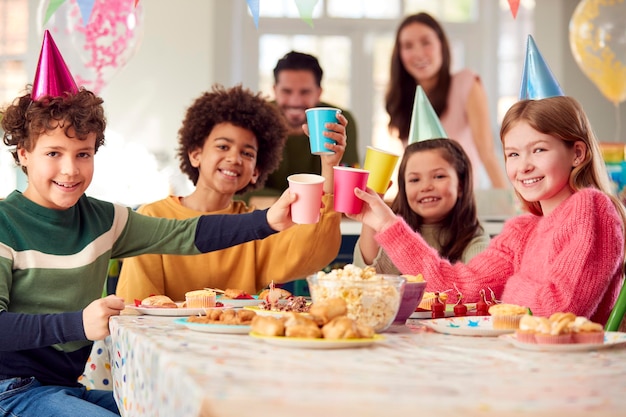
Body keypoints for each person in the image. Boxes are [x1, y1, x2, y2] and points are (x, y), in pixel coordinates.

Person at [0, 32, 297, 417]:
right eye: (53, 153)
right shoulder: (5, 225)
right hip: (10, 390)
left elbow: (188, 234)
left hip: (64, 388)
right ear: (23, 154)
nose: (70, 169)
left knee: (170, 410)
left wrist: (268, 220)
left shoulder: (106, 220)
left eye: (83, 153)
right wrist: (77, 323)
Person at [349, 96, 626, 325]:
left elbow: (557, 314)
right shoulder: (522, 230)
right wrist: (387, 225)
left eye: (539, 150)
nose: (524, 166)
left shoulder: (590, 208)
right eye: (513, 154)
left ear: (577, 154)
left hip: (573, 371)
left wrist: (506, 291)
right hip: (525, 363)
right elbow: (457, 289)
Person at [116, 84, 346, 302]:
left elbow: (313, 250)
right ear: (196, 155)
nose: (234, 158)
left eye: (247, 153)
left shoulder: (259, 226)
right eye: (223, 146)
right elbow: (136, 308)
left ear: (255, 171)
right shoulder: (153, 217)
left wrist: (329, 163)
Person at [385, 12, 508, 189]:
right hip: (422, 203)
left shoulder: (466, 83)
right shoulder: (401, 99)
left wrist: (510, 205)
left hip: (462, 201)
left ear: (441, 45)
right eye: (408, 46)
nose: (418, 53)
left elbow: (486, 152)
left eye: (426, 42)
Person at [353, 139, 489, 273]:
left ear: (461, 185)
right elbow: (365, 277)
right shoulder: (391, 230)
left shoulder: (474, 237)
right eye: (415, 180)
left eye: (439, 176)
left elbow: (479, 283)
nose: (426, 187)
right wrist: (371, 211)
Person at [241, 51, 359, 206]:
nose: (295, 101)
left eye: (305, 92)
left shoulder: (339, 120)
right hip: (265, 219)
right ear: (275, 90)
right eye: (286, 91)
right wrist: (301, 201)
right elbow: (239, 188)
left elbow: (346, 190)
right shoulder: (255, 119)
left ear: (318, 93)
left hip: (320, 218)